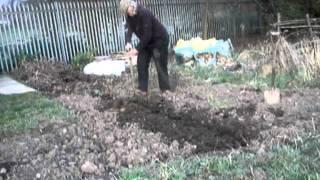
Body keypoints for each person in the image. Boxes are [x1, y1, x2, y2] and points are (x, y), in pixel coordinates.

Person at [119, 0, 171, 96]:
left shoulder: (144, 13)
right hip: (146, 42)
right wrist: (128, 42)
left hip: (159, 40)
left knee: (160, 64)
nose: (128, 13)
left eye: (128, 10)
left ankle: (165, 90)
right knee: (141, 62)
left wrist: (136, 49)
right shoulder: (129, 17)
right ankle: (143, 89)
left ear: (131, 5)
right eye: (126, 12)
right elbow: (129, 29)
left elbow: (148, 35)